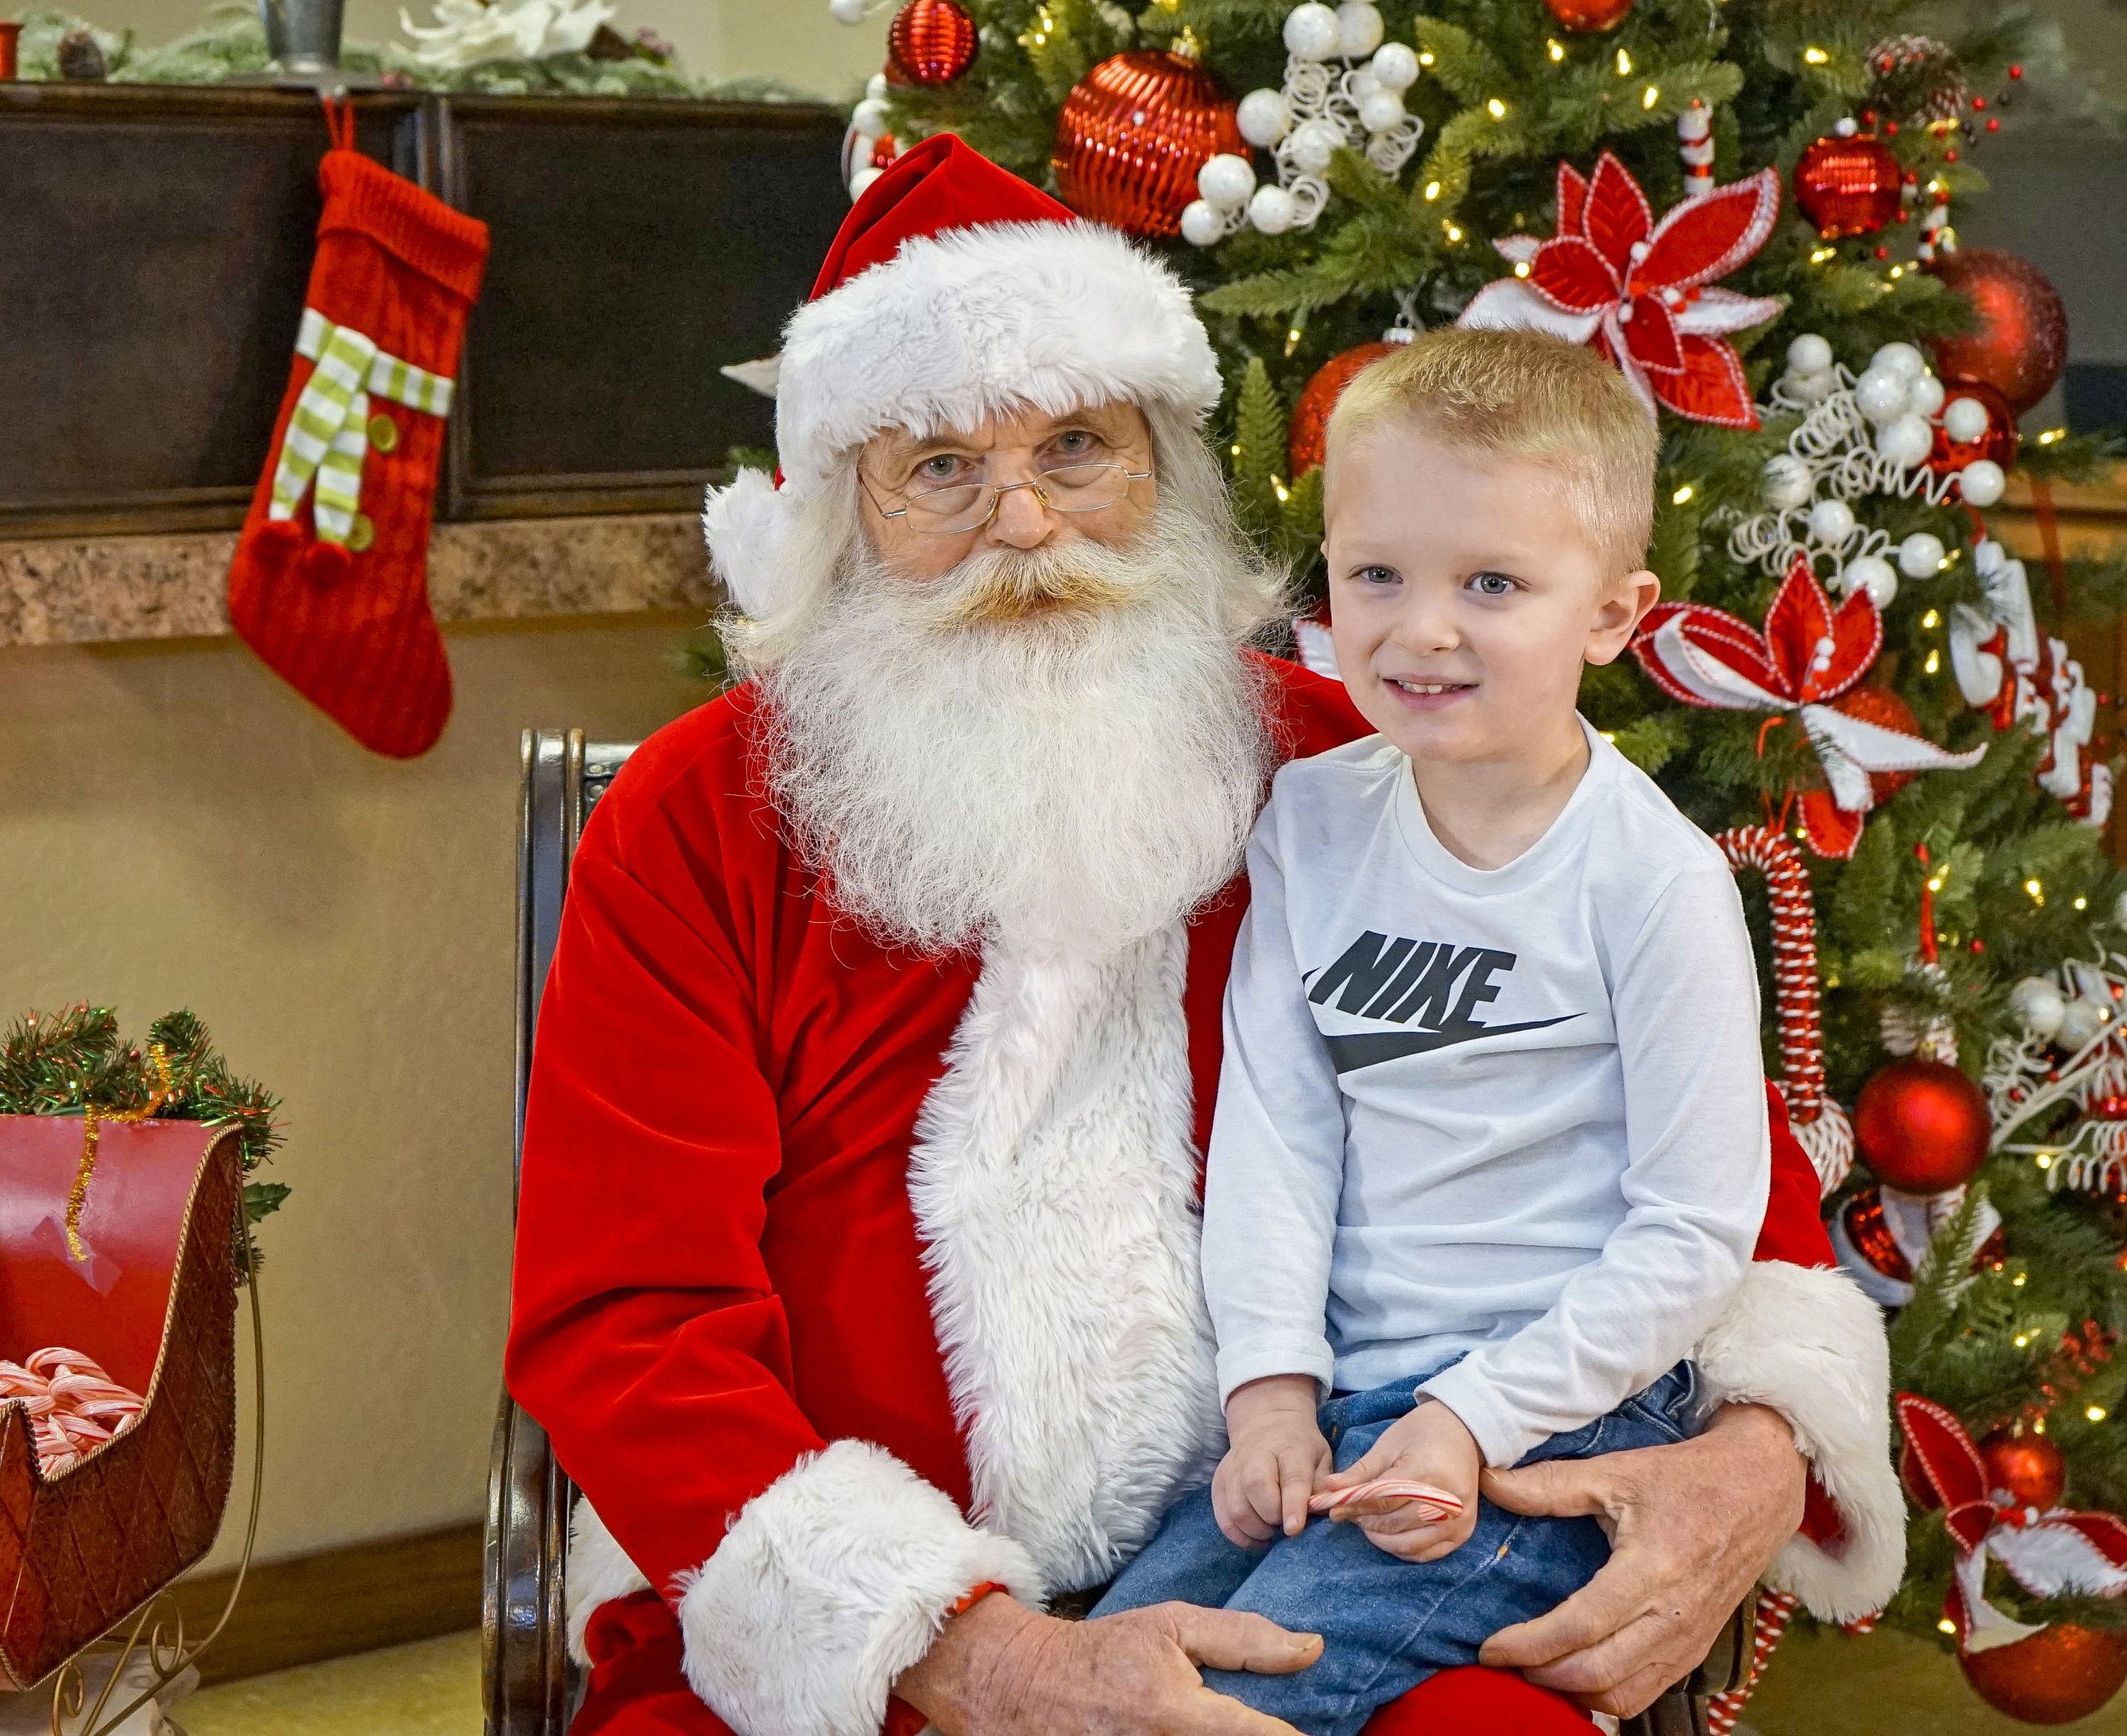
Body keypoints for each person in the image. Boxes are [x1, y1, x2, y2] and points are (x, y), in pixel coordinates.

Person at [505, 135, 1905, 1736]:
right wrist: (973, 1652)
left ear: (1163, 466)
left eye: (1076, 445)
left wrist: (1757, 1451)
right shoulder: (702, 816)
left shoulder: (1355, 764)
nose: (1025, 522)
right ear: (842, 513)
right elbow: (628, 1319)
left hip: (1337, 1529)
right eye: (939, 467)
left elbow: (1718, 1181)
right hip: (868, 1643)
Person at [1093, 328, 1783, 1735]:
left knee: (1233, 1696)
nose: (1421, 629)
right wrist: (1269, 1391)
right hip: (1342, 1405)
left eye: (1492, 584)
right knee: (1109, 1662)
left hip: (1559, 1419)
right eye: (1377, 575)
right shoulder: (1312, 822)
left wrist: (1475, 1413)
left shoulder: (1651, 881)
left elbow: (1696, 1228)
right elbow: (1281, 1132)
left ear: (1613, 613)